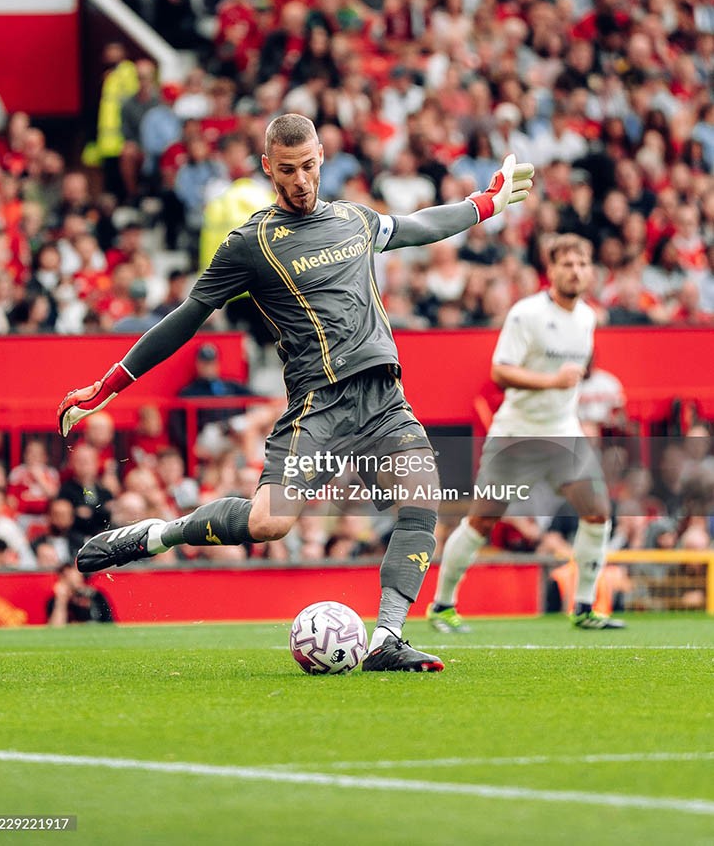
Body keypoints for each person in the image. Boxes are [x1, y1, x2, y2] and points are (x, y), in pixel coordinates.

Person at [57, 114, 533, 672]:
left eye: (308, 166)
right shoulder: (250, 243)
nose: (301, 180)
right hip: (319, 404)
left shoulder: (355, 219)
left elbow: (420, 224)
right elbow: (188, 316)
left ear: (322, 158)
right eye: (287, 170)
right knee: (268, 524)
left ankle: (386, 638)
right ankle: (155, 536)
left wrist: (488, 202)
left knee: (422, 499)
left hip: (384, 397)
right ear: (267, 168)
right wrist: (108, 384)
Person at [428, 234, 626, 633]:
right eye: (567, 264)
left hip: (562, 434)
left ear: (591, 271)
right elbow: (500, 371)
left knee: (598, 512)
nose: (575, 271)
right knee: (482, 522)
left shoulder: (588, 317)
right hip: (516, 435)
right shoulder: (526, 314)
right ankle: (442, 605)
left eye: (582, 264)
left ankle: (585, 606)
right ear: (549, 271)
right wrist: (552, 382)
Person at [46, 563, 114, 626]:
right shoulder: (55, 601)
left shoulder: (95, 596)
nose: (78, 576)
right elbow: (56, 627)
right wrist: (61, 600)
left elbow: (109, 624)